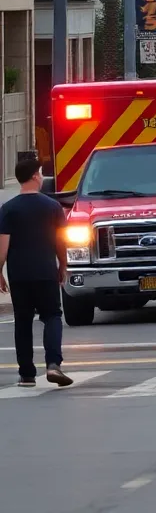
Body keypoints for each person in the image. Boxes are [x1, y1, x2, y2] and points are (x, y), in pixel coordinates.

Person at [0, 158, 73, 388]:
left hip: (19, 275)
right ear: (34, 176)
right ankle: (53, 364)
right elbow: (61, 241)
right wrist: (63, 264)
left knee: (22, 322)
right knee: (52, 316)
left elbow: (3, 245)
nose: (41, 177)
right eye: (40, 173)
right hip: (45, 272)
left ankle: (27, 374)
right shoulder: (52, 207)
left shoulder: (8, 209)